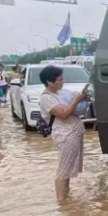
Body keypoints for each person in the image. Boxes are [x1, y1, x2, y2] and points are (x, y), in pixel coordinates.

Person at [38, 65, 87, 201]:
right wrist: (76, 100)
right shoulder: (46, 98)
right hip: (65, 136)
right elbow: (63, 114)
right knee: (64, 169)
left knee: (69, 169)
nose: (62, 82)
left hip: (74, 132)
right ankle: (61, 201)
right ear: (49, 81)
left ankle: (66, 196)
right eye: (59, 80)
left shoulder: (60, 93)